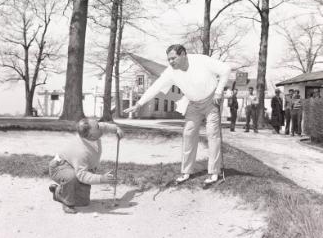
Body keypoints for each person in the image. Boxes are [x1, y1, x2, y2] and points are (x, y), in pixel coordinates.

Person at [124, 44, 231, 185]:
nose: (171, 62)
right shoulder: (171, 72)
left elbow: (226, 69)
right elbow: (156, 86)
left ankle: (214, 172)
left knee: (212, 134)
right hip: (193, 103)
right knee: (188, 134)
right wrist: (139, 104)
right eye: (169, 59)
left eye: (173, 58)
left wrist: (219, 91)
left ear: (183, 55)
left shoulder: (201, 60)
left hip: (211, 100)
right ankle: (186, 172)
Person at [48, 118, 124, 214]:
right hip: (59, 168)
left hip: (75, 166)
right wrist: (102, 179)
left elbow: (103, 126)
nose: (100, 127)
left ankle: (57, 192)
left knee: (83, 202)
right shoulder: (81, 151)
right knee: (72, 177)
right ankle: (67, 203)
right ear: (91, 135)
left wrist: (116, 129)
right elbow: (82, 175)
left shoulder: (94, 131)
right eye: (97, 127)